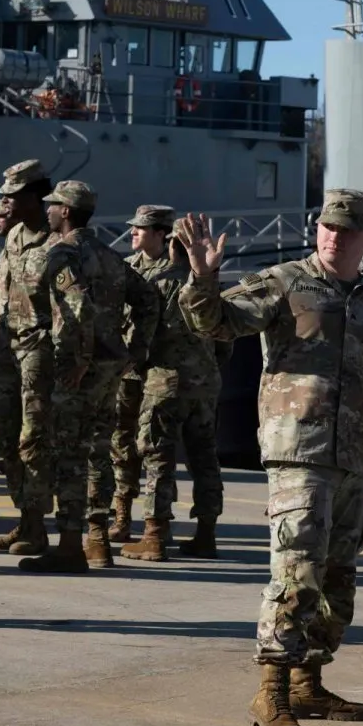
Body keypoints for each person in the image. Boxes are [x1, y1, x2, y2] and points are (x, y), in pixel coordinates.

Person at [175, 191, 363, 726]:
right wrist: (202, 278)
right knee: (296, 573)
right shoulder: (284, 282)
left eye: (346, 230)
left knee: (338, 581)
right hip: (297, 451)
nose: (333, 237)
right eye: (326, 227)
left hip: (351, 460)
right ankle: (270, 689)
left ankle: (306, 684)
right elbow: (214, 322)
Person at [40, 181, 157, 569]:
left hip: (79, 369)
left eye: (53, 205)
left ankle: (69, 545)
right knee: (100, 452)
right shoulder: (110, 256)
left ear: (66, 211)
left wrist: (81, 357)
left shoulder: (64, 253)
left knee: (70, 454)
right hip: (110, 368)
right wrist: (136, 350)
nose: (47, 210)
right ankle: (98, 539)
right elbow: (147, 299)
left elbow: (77, 304)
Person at [0, 161, 90, 560]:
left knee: (33, 439)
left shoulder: (57, 244)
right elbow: (4, 284)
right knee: (7, 437)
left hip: (38, 351)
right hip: (7, 349)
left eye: (13, 196)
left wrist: (74, 355)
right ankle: (24, 515)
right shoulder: (13, 235)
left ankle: (35, 523)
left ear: (34, 197)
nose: (6, 202)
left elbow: (74, 304)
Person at [119, 208, 227, 563]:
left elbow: (143, 335)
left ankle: (154, 535)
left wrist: (132, 363)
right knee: (204, 457)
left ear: (170, 245)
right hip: (205, 383)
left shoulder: (161, 284)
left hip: (165, 381)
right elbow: (226, 337)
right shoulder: (209, 283)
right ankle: (206, 534)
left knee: (158, 458)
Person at [108, 205, 168, 545]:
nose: (133, 232)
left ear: (160, 233)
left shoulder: (176, 271)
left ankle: (155, 524)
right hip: (128, 371)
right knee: (121, 443)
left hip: (160, 371)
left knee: (154, 448)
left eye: (141, 228)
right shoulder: (127, 268)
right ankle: (121, 516)